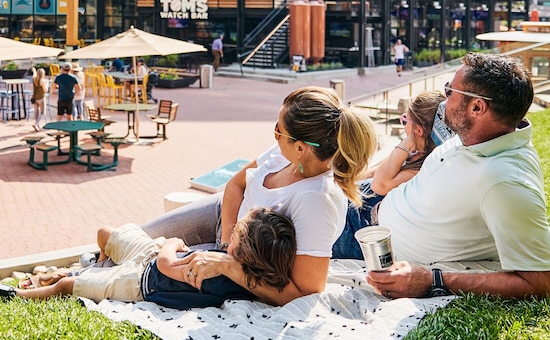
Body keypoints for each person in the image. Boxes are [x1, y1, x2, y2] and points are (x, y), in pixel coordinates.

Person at [140, 86, 378, 306]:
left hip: (243, 252)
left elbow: (304, 293)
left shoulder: (317, 201)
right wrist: (225, 243)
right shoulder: (287, 152)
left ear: (300, 148)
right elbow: (236, 184)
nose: (275, 134)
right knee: (142, 237)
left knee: (146, 262)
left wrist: (229, 265)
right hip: (225, 215)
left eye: (278, 130)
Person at [354, 53, 550, 301]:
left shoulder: (504, 182)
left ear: (476, 107)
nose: (444, 99)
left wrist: (433, 281)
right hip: (369, 205)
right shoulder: (475, 136)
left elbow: (543, 284)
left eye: (450, 91)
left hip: (368, 240)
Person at [0, 207, 296, 309]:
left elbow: (167, 264)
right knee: (105, 233)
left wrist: (172, 242)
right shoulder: (247, 271)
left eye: (236, 233)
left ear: (241, 250)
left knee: (67, 286)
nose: (230, 233)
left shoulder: (216, 271)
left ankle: (11, 295)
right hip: (149, 256)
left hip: (140, 281)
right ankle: (99, 266)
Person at [330, 91, 447, 259]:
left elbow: (380, 185)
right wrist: (340, 183)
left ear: (419, 129)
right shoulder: (414, 153)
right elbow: (375, 172)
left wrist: (408, 141)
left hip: (358, 229)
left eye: (405, 120)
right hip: (355, 207)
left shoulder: (422, 170)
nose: (403, 125)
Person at [30, 67, 47, 131]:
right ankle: (36, 124)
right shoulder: (42, 80)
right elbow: (45, 90)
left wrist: (34, 70)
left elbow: (34, 74)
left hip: (34, 97)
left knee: (36, 111)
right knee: (43, 112)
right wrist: (47, 84)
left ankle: (37, 125)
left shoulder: (34, 79)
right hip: (41, 97)